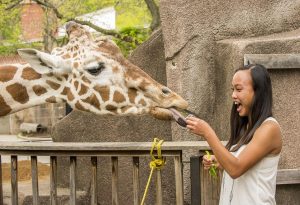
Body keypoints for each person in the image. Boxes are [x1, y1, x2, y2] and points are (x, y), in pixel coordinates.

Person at [186, 64, 282, 205]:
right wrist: (219, 161)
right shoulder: (246, 128)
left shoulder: (269, 128)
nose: (233, 95)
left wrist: (208, 133)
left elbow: (236, 169)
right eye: (232, 90)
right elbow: (241, 164)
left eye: (238, 89)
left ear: (258, 92)